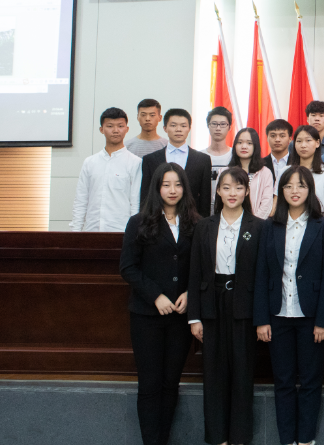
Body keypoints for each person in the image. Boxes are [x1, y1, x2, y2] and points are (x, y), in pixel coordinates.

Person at [119, 163, 201, 445]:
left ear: (185, 188)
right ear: (157, 188)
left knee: (170, 383)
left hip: (180, 316)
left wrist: (190, 292)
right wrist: (156, 295)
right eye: (166, 185)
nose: (172, 190)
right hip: (146, 317)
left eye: (177, 184)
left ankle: (162, 440)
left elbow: (203, 267)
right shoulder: (139, 222)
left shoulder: (196, 223)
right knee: (150, 384)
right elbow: (128, 268)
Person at [254, 166, 324, 445]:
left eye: (301, 185)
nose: (295, 191)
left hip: (310, 316)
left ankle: (306, 439)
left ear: (310, 190)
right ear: (281, 191)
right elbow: (261, 274)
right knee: (283, 381)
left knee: (311, 381)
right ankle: (287, 440)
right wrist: (261, 319)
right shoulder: (269, 226)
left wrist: (323, 321)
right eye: (288, 186)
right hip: (278, 315)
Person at [187, 167, 265, 445]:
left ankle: (239, 438)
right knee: (214, 373)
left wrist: (261, 318)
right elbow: (195, 273)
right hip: (212, 303)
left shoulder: (258, 227)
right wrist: (194, 317)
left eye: (238, 188)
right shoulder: (204, 226)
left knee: (242, 373)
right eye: (227, 187)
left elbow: (263, 276)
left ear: (246, 192)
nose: (233, 193)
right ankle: (218, 438)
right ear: (218, 192)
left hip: (244, 305)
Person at [71, 107, 142, 232]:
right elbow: (81, 200)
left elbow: (135, 202)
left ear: (127, 129)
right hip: (92, 230)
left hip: (122, 231)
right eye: (110, 126)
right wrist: (75, 232)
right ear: (101, 129)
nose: (115, 130)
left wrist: (134, 233)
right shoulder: (90, 162)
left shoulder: (135, 163)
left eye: (120, 126)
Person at [141, 108, 213, 217]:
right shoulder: (150, 160)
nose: (178, 129)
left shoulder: (203, 160)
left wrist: (203, 224)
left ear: (189, 128)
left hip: (192, 219)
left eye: (183, 126)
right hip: (158, 219)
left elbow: (205, 198)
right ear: (165, 128)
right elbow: (146, 196)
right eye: (173, 125)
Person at [285, 125, 324, 220]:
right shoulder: (286, 171)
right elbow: (277, 200)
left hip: (320, 219)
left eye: (308, 140)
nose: (303, 145)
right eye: (299, 141)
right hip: (290, 220)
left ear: (317, 143)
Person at [228, 128, 274, 219]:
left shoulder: (265, 172)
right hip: (230, 221)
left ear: (255, 146)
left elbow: (267, 203)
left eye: (249, 143)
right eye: (240, 142)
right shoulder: (225, 172)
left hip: (257, 223)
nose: (244, 146)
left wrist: (253, 223)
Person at [202, 107, 234, 214]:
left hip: (229, 209)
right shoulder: (199, 156)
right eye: (214, 124)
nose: (218, 128)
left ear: (229, 127)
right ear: (208, 126)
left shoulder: (235, 156)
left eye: (223, 124)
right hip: (203, 211)